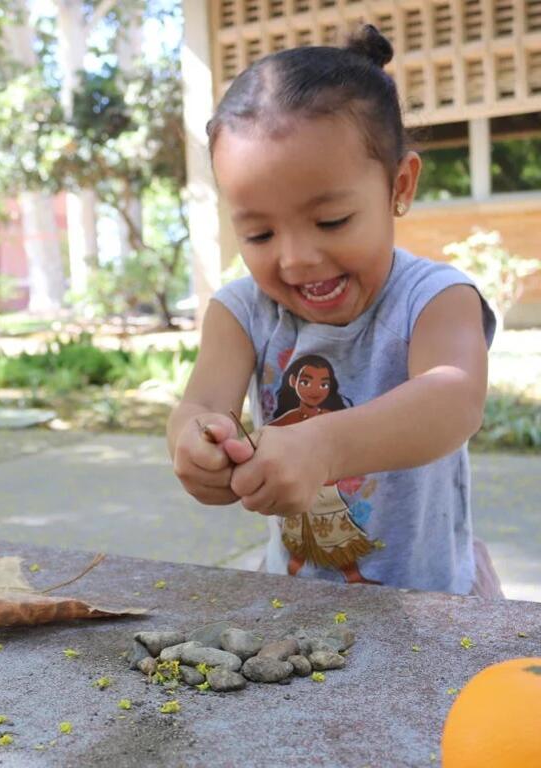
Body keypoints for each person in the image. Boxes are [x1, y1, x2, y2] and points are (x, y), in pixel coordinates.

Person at [167, 24, 503, 598]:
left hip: (431, 601)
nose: (296, 259)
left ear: (399, 186)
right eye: (259, 232)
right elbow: (199, 405)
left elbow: (454, 400)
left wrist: (326, 445)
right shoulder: (242, 312)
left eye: (331, 222)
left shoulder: (435, 298)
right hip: (297, 600)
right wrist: (195, 442)